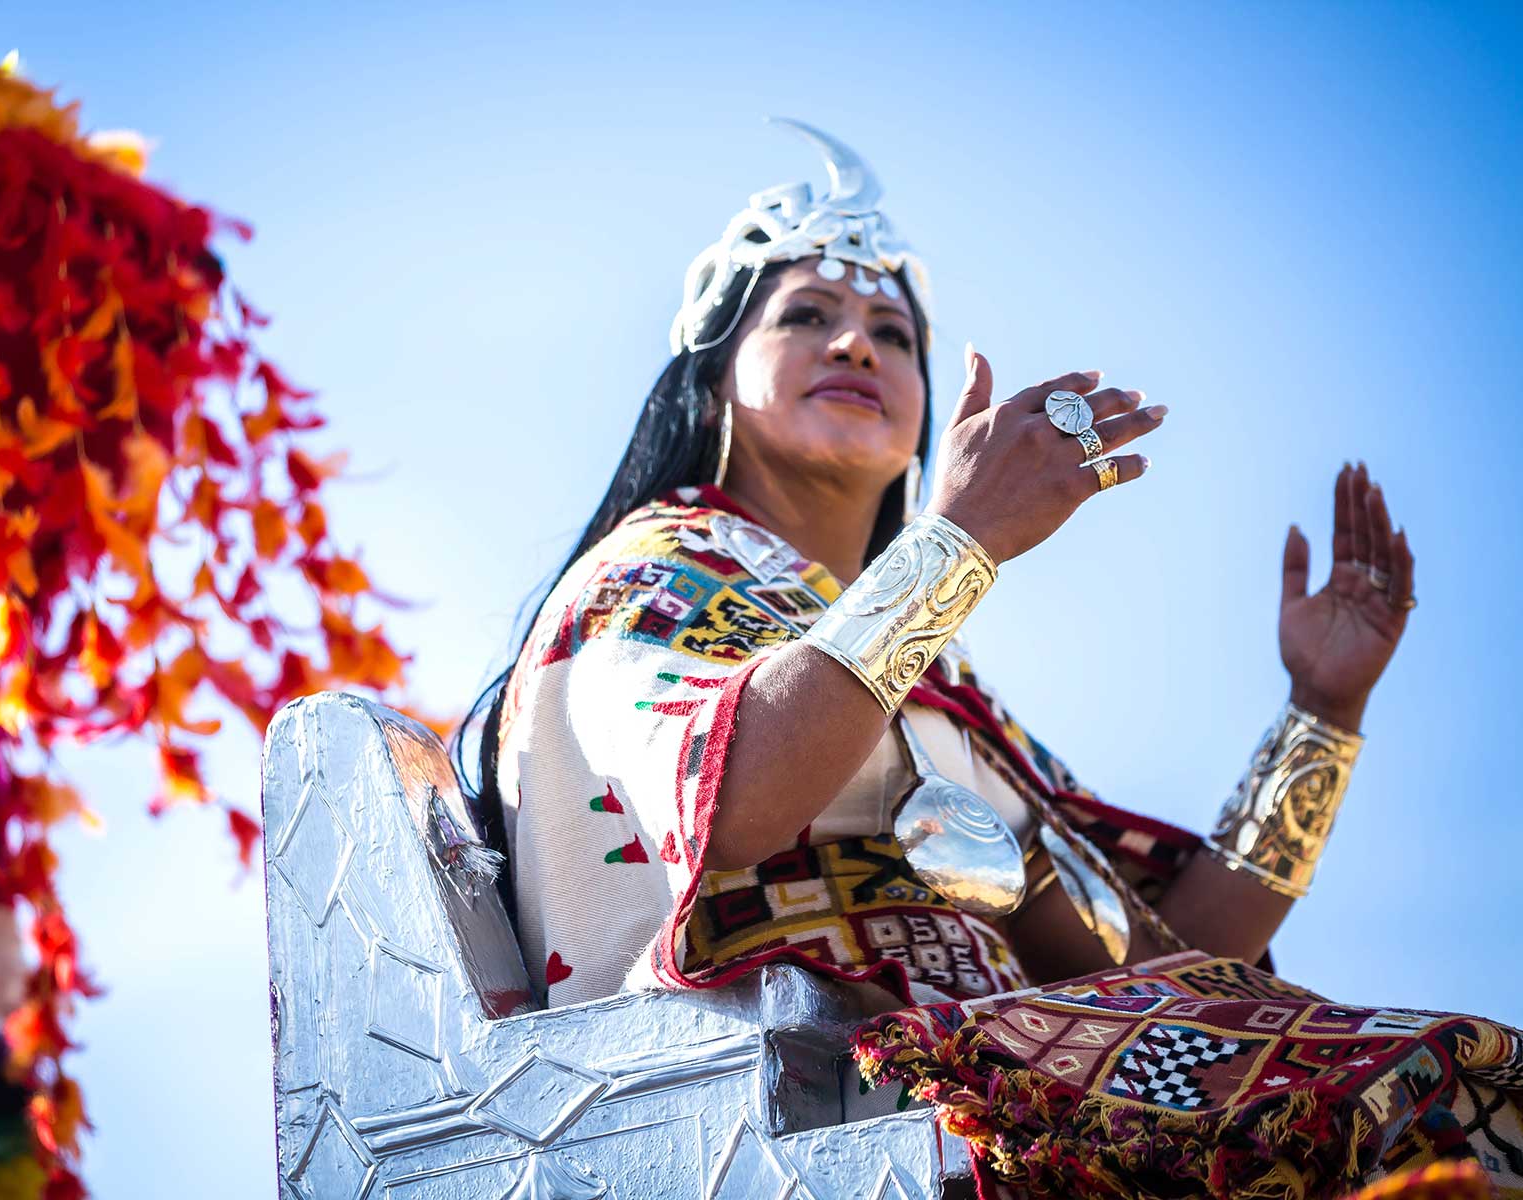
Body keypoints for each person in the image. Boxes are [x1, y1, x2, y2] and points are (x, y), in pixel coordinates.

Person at [459, 121, 1519, 1199]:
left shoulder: (940, 678)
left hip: (1012, 1109)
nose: (858, 346)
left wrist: (1321, 717)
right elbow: (732, 795)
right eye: (806, 315)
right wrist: (955, 544)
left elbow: (1168, 954)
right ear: (716, 377)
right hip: (811, 1128)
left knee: (1447, 1103)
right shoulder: (652, 573)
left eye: (892, 332)